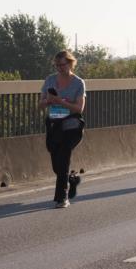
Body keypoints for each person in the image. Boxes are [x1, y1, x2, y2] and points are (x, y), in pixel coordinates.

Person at [39, 50, 86, 208]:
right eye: (57, 65)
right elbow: (40, 104)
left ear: (71, 63)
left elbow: (79, 109)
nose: (59, 68)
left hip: (72, 125)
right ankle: (71, 180)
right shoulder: (50, 80)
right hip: (54, 124)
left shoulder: (78, 83)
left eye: (62, 65)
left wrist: (61, 101)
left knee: (64, 158)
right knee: (56, 165)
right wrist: (48, 101)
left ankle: (62, 198)